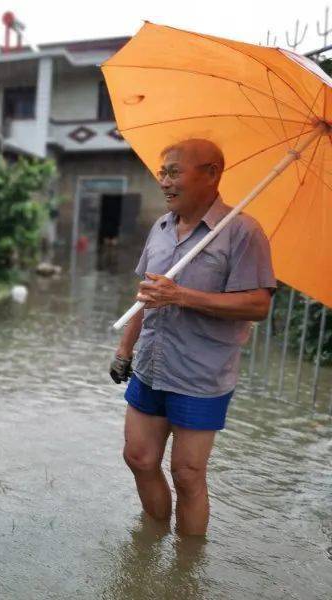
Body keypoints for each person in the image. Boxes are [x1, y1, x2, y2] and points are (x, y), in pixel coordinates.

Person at [109, 138, 275, 536]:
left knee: (186, 474)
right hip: (150, 366)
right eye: (162, 172)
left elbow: (258, 305)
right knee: (138, 457)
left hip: (201, 376)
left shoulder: (243, 232)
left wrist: (181, 295)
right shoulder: (161, 227)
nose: (164, 181)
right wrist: (124, 349)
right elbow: (145, 295)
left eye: (174, 172)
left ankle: (186, 570)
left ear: (212, 174)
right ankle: (150, 543)